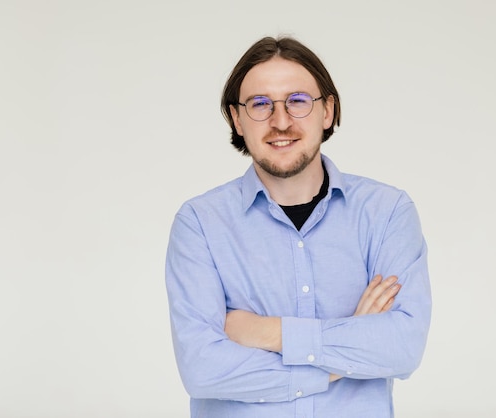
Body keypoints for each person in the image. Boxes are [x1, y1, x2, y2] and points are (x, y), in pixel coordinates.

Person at [165, 36, 431, 418]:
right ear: (236, 119)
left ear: (327, 111)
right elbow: (202, 370)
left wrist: (268, 333)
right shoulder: (199, 224)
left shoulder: (387, 212)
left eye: (298, 101)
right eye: (260, 105)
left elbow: (402, 347)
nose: (281, 121)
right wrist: (345, 351)